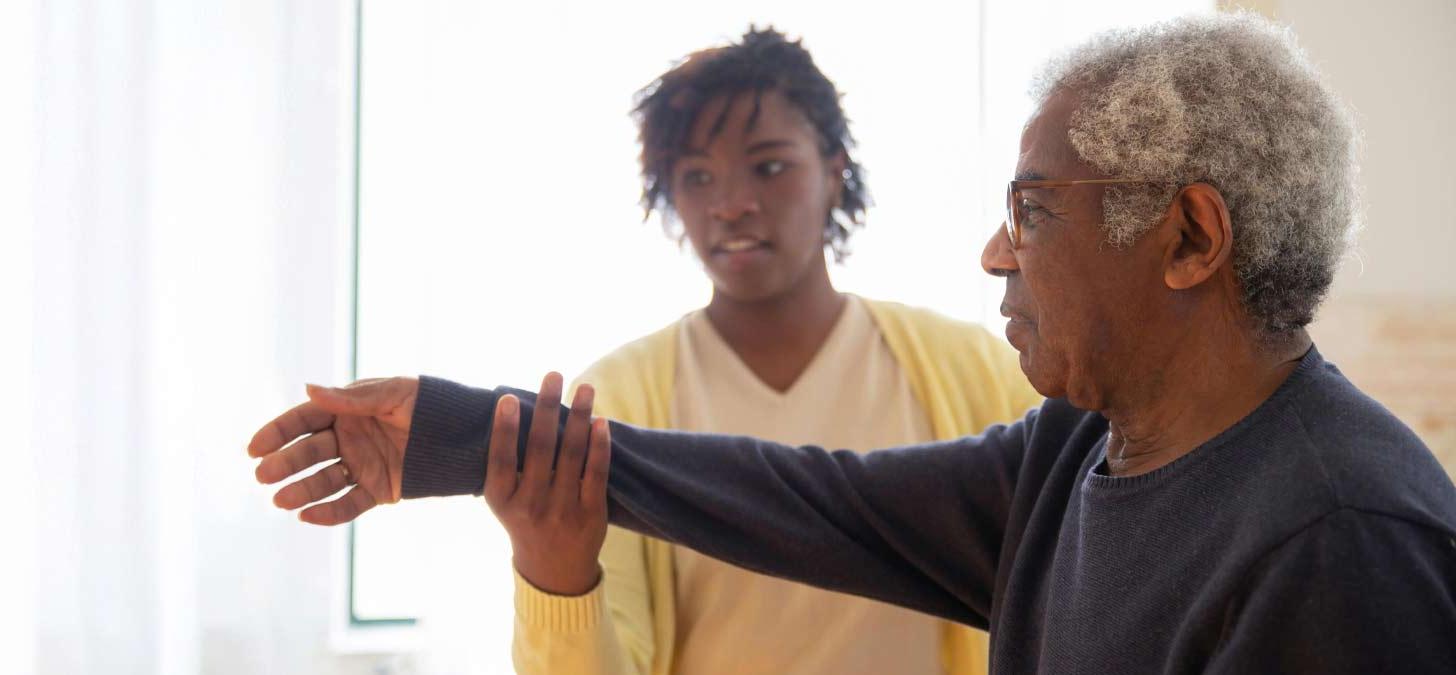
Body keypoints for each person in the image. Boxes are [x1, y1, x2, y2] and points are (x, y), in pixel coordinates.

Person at [251, 13, 1456, 674]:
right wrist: (461, 438)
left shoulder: (1342, 543)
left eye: (1034, 208)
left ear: (1188, 237)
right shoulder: (1073, 451)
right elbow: (812, 502)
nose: (996, 251)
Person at [502, 27, 1037, 675]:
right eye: (698, 176)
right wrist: (552, 572)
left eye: (770, 166)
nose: (731, 206)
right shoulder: (614, 403)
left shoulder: (976, 372)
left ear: (833, 172)